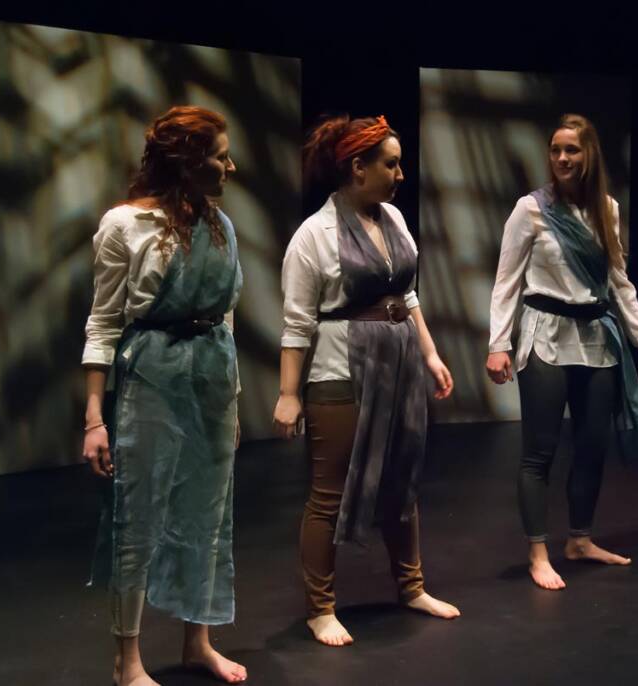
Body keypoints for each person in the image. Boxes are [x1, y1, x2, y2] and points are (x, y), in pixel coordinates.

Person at [274, 114, 460, 647]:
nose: (400, 174)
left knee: (402, 478)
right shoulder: (316, 234)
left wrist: (429, 352)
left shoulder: (394, 220)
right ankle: (320, 607)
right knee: (328, 493)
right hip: (340, 368)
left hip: (397, 363)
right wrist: (290, 394)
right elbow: (296, 321)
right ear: (358, 168)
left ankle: (412, 587)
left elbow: (408, 294)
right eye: (391, 164)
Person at [81, 106, 247, 685]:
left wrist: (235, 397)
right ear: (187, 162)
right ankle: (127, 662)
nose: (231, 165)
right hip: (152, 376)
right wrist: (94, 418)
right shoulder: (124, 225)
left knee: (208, 511)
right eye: (221, 155)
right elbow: (103, 323)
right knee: (141, 513)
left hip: (212, 378)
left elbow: (224, 312)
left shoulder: (221, 225)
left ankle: (197, 642)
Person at [486, 113, 638, 591]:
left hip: (595, 336)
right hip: (545, 331)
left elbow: (618, 279)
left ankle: (579, 539)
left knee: (592, 445)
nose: (563, 158)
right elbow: (506, 281)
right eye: (557, 150)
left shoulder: (607, 208)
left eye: (572, 150)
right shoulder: (531, 209)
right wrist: (498, 344)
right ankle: (538, 551)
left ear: (590, 156)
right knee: (539, 452)